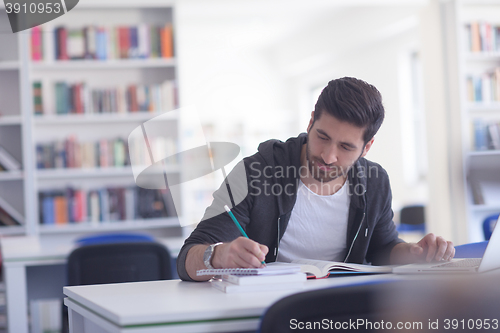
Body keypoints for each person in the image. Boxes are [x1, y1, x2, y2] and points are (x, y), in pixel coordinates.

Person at [177, 77, 455, 282]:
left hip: (342, 310)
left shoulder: (375, 181)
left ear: (366, 147)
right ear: (310, 122)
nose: (328, 156)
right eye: (322, 137)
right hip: (270, 310)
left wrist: (414, 253)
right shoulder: (254, 173)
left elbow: (383, 248)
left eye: (346, 147)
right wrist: (217, 256)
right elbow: (187, 258)